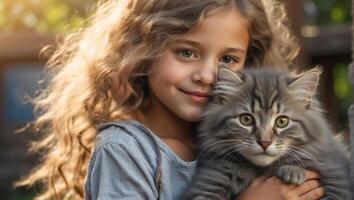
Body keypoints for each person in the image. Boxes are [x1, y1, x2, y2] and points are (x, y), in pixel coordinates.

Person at [15, 0, 325, 199]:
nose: (208, 74)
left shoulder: (240, 142)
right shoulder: (126, 151)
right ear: (142, 50)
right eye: (186, 52)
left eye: (228, 59)